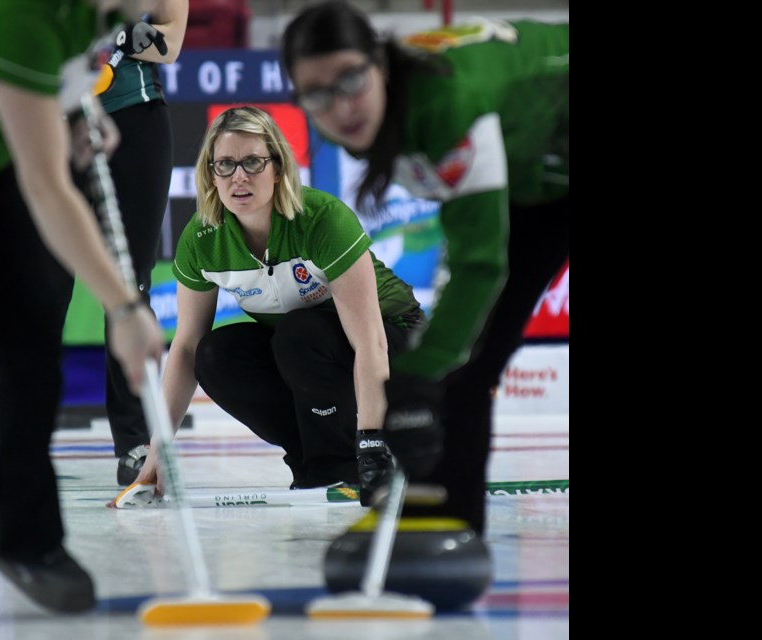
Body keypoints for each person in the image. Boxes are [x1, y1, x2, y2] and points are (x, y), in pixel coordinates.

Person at [282, 1, 569, 610]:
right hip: (541, 176)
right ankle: (445, 527)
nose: (340, 106)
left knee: (444, 360)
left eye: (351, 80)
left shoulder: (443, 103)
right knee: (463, 366)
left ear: (381, 63)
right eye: (317, 94)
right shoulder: (378, 115)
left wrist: (416, 373)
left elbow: (482, 264)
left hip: (549, 158)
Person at [131, 105, 425, 505]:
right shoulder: (202, 241)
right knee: (215, 354)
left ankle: (341, 461)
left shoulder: (321, 219)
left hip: (396, 345)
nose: (239, 176)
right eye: (226, 165)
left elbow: (371, 341)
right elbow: (183, 348)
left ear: (278, 168)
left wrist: (372, 444)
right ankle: (312, 460)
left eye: (253, 161)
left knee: (299, 334)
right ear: (210, 174)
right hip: (308, 352)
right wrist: (158, 449)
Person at [0, 0, 167, 613]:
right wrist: (122, 309)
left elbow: (57, 94)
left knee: (30, 346)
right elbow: (46, 184)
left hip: (6, 159)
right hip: (15, 169)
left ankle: (25, 541)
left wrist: (80, 111)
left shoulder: (88, 16)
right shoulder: (22, 16)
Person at [74, 0, 189, 488]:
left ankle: (134, 442)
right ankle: (18, 439)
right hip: (51, 116)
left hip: (136, 117)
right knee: (38, 283)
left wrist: (118, 38)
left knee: (130, 283)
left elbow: (171, 43)